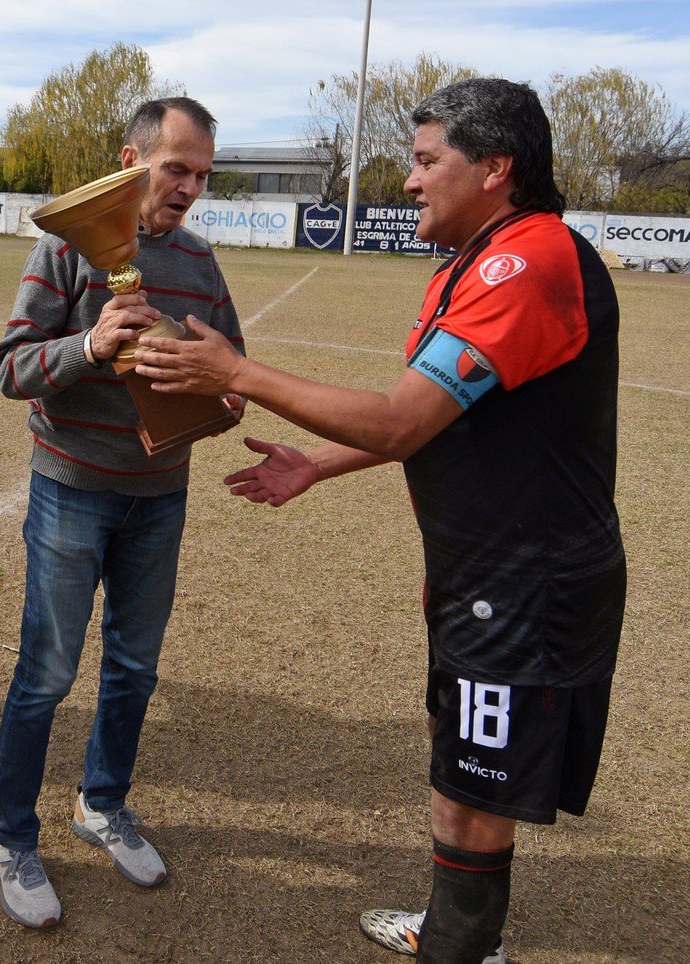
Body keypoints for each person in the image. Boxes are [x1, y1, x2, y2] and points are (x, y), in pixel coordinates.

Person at [135, 78, 625, 963]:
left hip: (525, 587)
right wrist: (313, 465)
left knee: (472, 792)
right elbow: (436, 419)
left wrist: (234, 374)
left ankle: (462, 950)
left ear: (495, 169)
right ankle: (457, 933)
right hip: (481, 577)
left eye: (426, 160)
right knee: (456, 772)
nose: (408, 181)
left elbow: (401, 419)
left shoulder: (528, 260)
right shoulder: (474, 263)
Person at [0, 97, 246, 927]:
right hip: (70, 490)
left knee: (133, 669)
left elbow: (232, 368)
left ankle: (100, 806)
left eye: (201, 174)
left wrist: (221, 395)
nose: (190, 189)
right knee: (47, 676)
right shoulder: (62, 250)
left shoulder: (201, 264)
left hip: (160, 498)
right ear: (132, 159)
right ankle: (11, 839)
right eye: (177, 169)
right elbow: (7, 369)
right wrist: (89, 347)